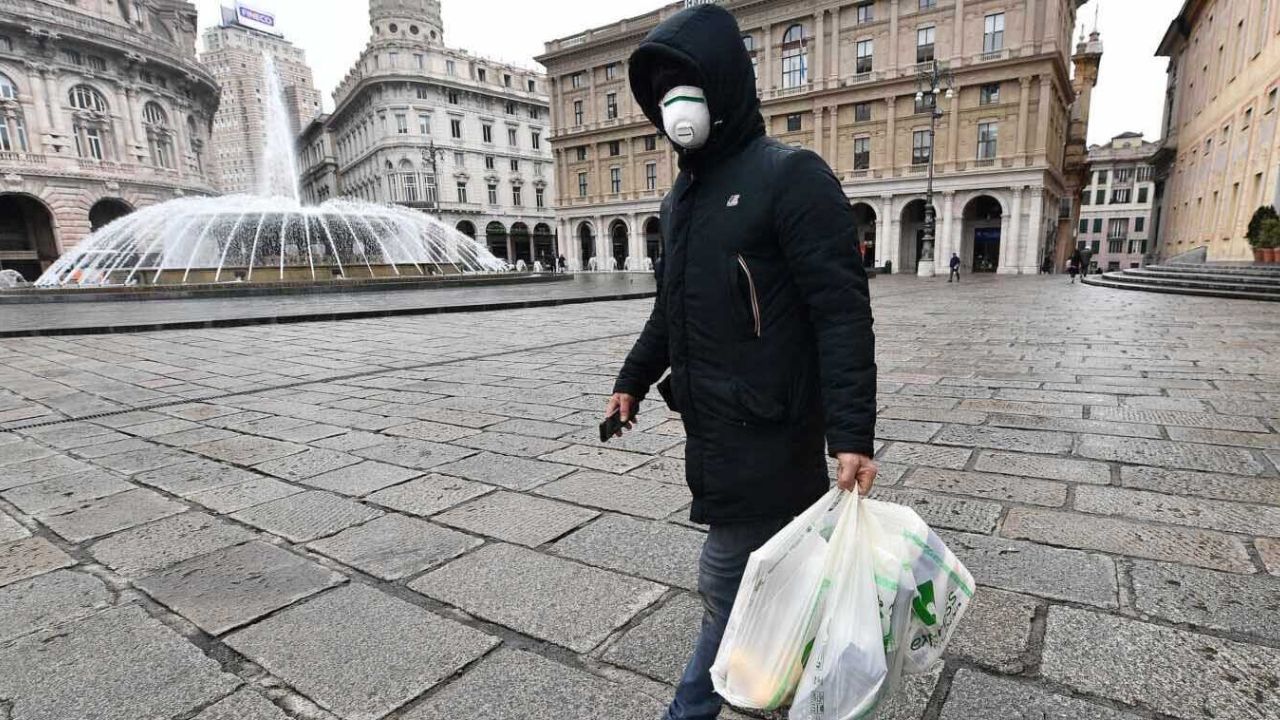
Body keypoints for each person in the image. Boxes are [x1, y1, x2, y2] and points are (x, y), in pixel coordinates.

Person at [604, 6, 878, 720]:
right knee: (769, 592)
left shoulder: (791, 176)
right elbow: (671, 308)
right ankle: (799, 691)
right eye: (660, 94)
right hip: (717, 433)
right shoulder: (683, 196)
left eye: (686, 85)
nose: (674, 106)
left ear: (723, 83)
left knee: (725, 588)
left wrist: (851, 434)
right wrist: (631, 382)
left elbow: (840, 310)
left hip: (771, 432)